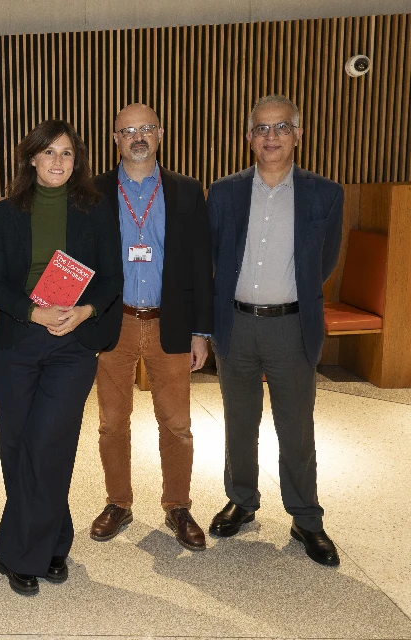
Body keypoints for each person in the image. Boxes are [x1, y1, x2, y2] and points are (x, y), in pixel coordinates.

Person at [0, 120, 123, 596]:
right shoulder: (6, 213)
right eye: (48, 152)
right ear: (32, 158)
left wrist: (84, 311)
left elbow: (112, 278)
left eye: (66, 153)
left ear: (76, 160)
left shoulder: (95, 209)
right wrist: (33, 311)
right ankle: (56, 538)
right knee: (16, 446)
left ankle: (20, 553)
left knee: (48, 444)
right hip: (21, 339)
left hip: (73, 342)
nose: (57, 161)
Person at [207, 95, 343, 567]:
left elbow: (324, 262)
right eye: (262, 129)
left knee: (296, 427)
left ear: (298, 135)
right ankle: (242, 499)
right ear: (249, 138)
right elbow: (214, 258)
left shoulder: (325, 194)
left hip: (292, 327)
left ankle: (306, 517)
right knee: (239, 422)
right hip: (236, 325)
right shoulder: (223, 192)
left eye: (281, 127)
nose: (271, 136)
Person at [89, 104, 213, 550]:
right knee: (112, 422)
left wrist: (202, 331)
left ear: (160, 133)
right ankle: (118, 502)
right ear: (115, 139)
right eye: (127, 131)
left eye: (145, 129)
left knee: (176, 423)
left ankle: (178, 505)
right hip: (115, 320)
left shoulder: (186, 190)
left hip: (170, 321)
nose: (137, 137)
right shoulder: (94, 191)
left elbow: (201, 262)